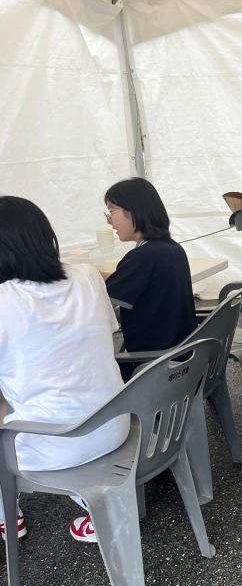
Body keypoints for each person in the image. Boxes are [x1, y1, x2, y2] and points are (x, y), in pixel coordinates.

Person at [0, 197, 129, 543]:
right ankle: (97, 505)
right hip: (117, 425)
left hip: (60, 448)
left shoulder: (4, 300)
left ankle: (7, 516)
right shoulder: (87, 276)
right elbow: (106, 337)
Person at [104, 178, 197, 378]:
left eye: (111, 211)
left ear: (134, 210)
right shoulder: (171, 248)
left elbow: (102, 302)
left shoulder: (142, 256)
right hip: (182, 358)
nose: (109, 220)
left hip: (152, 367)